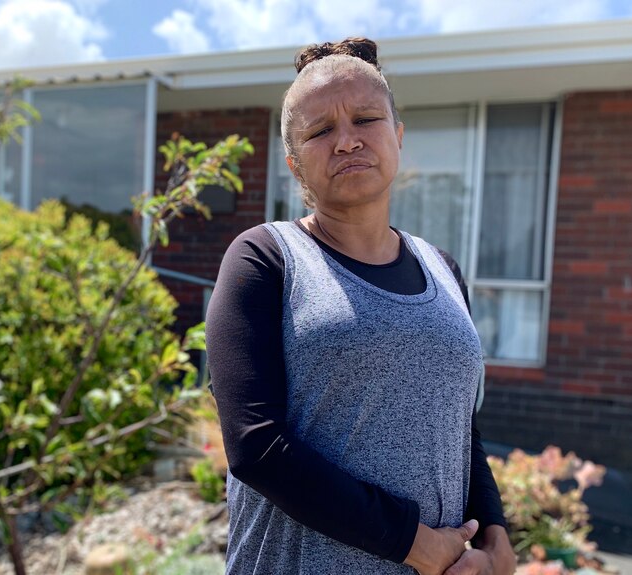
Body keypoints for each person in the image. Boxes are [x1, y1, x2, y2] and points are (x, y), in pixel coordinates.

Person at [205, 38, 517, 575]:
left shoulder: (441, 268)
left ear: (397, 136)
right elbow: (254, 445)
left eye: (366, 119)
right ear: (294, 163)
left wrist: (495, 541)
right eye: (320, 130)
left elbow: (460, 425)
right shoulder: (265, 258)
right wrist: (412, 542)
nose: (346, 141)